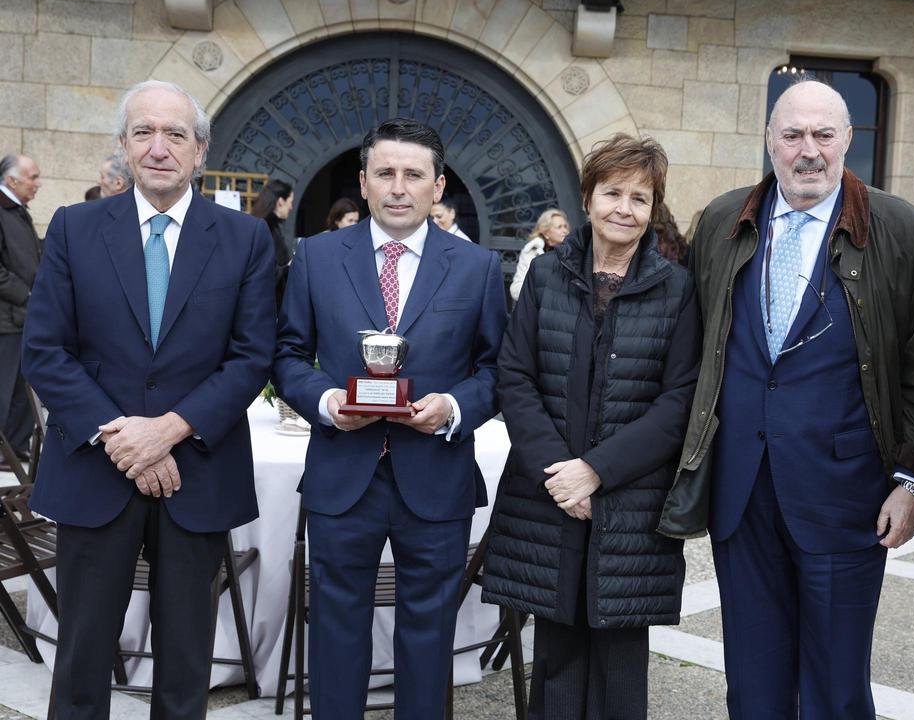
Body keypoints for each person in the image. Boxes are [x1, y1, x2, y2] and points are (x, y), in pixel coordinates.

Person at [659, 79, 914, 719]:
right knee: (754, 687)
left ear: (848, 139)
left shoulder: (898, 228)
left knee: (835, 689)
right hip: (743, 494)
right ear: (770, 141)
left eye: (823, 134)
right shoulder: (723, 219)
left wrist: (913, 479)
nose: (807, 150)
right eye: (792, 135)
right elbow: (696, 340)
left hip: (846, 493)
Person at [21, 80, 275, 719]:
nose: (159, 148)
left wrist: (169, 430)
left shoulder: (244, 239)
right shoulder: (75, 229)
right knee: (80, 655)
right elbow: (46, 351)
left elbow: (250, 358)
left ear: (200, 151)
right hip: (94, 469)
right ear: (124, 147)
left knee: (187, 657)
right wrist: (121, 433)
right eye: (143, 133)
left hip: (198, 472)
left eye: (175, 135)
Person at [272, 118, 507, 719]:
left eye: (413, 174)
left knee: (429, 637)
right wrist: (327, 403)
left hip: (436, 474)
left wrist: (453, 408)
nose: (399, 187)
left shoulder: (477, 267)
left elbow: (498, 369)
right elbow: (288, 354)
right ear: (364, 181)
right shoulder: (316, 258)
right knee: (334, 631)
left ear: (438, 185)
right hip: (342, 473)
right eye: (386, 173)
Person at [482, 133, 700, 720]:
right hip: (547, 492)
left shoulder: (676, 288)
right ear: (587, 198)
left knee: (619, 659)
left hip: (630, 499)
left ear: (654, 208)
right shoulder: (548, 274)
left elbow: (679, 400)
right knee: (554, 653)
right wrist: (561, 473)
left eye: (640, 197)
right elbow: (515, 377)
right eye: (612, 193)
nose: (624, 209)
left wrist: (597, 472)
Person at [0, 154, 42, 460]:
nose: (38, 183)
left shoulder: (17, 211)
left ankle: (14, 447)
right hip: (6, 320)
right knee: (4, 390)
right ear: (12, 180)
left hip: (23, 318)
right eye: (33, 177)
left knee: (21, 390)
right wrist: (27, 294)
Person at [509, 207, 569, 301]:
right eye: (559, 227)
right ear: (546, 233)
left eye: (565, 226)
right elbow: (516, 289)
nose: (565, 230)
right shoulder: (532, 252)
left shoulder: (572, 252)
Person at [250, 179, 294, 307]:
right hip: (265, 304)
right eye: (290, 202)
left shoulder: (262, 225)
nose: (291, 207)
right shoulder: (266, 228)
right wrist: (290, 266)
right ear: (280, 202)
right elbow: (267, 272)